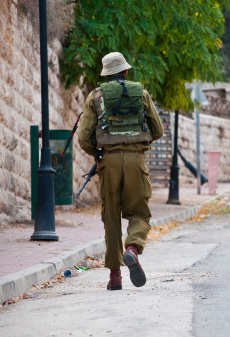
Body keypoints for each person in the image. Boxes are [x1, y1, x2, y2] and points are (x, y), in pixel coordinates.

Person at [78, 52, 163, 290]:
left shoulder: (95, 96)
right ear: (126, 72)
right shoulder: (142, 94)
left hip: (109, 162)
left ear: (106, 75)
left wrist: (100, 154)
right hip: (136, 160)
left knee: (111, 218)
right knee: (140, 214)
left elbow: (84, 138)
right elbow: (157, 130)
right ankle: (133, 248)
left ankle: (115, 277)